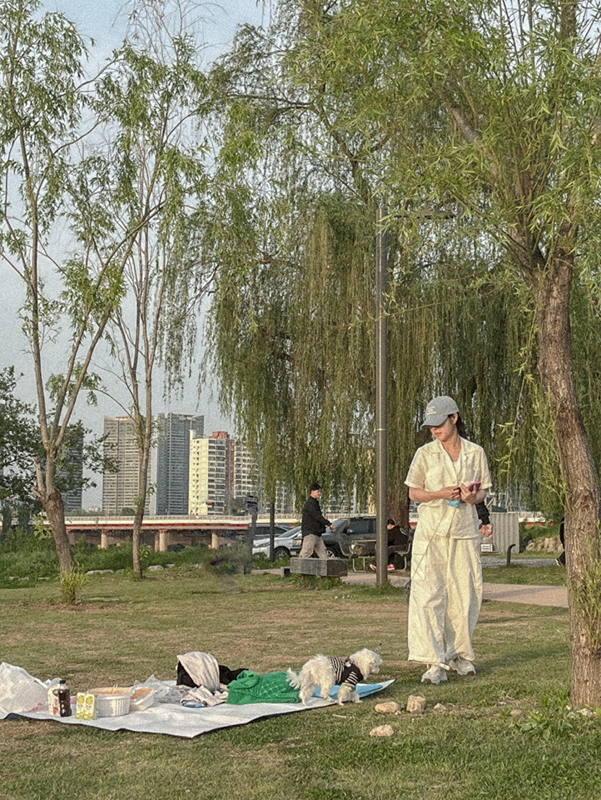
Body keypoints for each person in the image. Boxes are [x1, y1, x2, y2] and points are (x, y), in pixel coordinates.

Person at [405, 395, 492, 685]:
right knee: (429, 596)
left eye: (439, 424)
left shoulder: (475, 453)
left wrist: (472, 497)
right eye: (430, 426)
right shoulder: (425, 454)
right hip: (431, 534)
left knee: (465, 595)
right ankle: (433, 660)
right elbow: (414, 493)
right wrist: (439, 493)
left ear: (454, 418)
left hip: (465, 532)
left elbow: (483, 492)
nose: (435, 431)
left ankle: (459, 655)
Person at [299, 483, 336, 558]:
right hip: (310, 533)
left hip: (317, 534)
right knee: (305, 554)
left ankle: (326, 568)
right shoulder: (310, 504)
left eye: (320, 492)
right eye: (318, 491)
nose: (320, 493)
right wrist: (329, 524)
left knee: (323, 554)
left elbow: (318, 517)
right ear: (312, 491)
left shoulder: (315, 503)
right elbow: (317, 516)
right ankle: (297, 568)